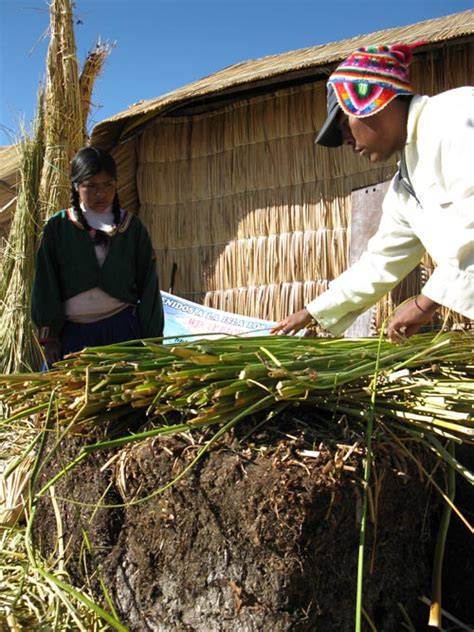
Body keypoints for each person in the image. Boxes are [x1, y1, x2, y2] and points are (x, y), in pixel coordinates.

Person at [271, 43, 474, 341]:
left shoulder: (455, 116)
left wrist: (426, 302)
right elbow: (381, 260)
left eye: (344, 127)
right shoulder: (405, 184)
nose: (347, 142)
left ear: (375, 101)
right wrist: (314, 311)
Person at [32, 146, 164, 366]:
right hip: (73, 338)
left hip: (122, 335)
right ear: (76, 186)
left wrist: (153, 337)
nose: (100, 193)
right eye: (90, 186)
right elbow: (45, 284)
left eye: (108, 185)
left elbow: (149, 284)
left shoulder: (131, 228)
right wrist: (50, 338)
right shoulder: (59, 227)